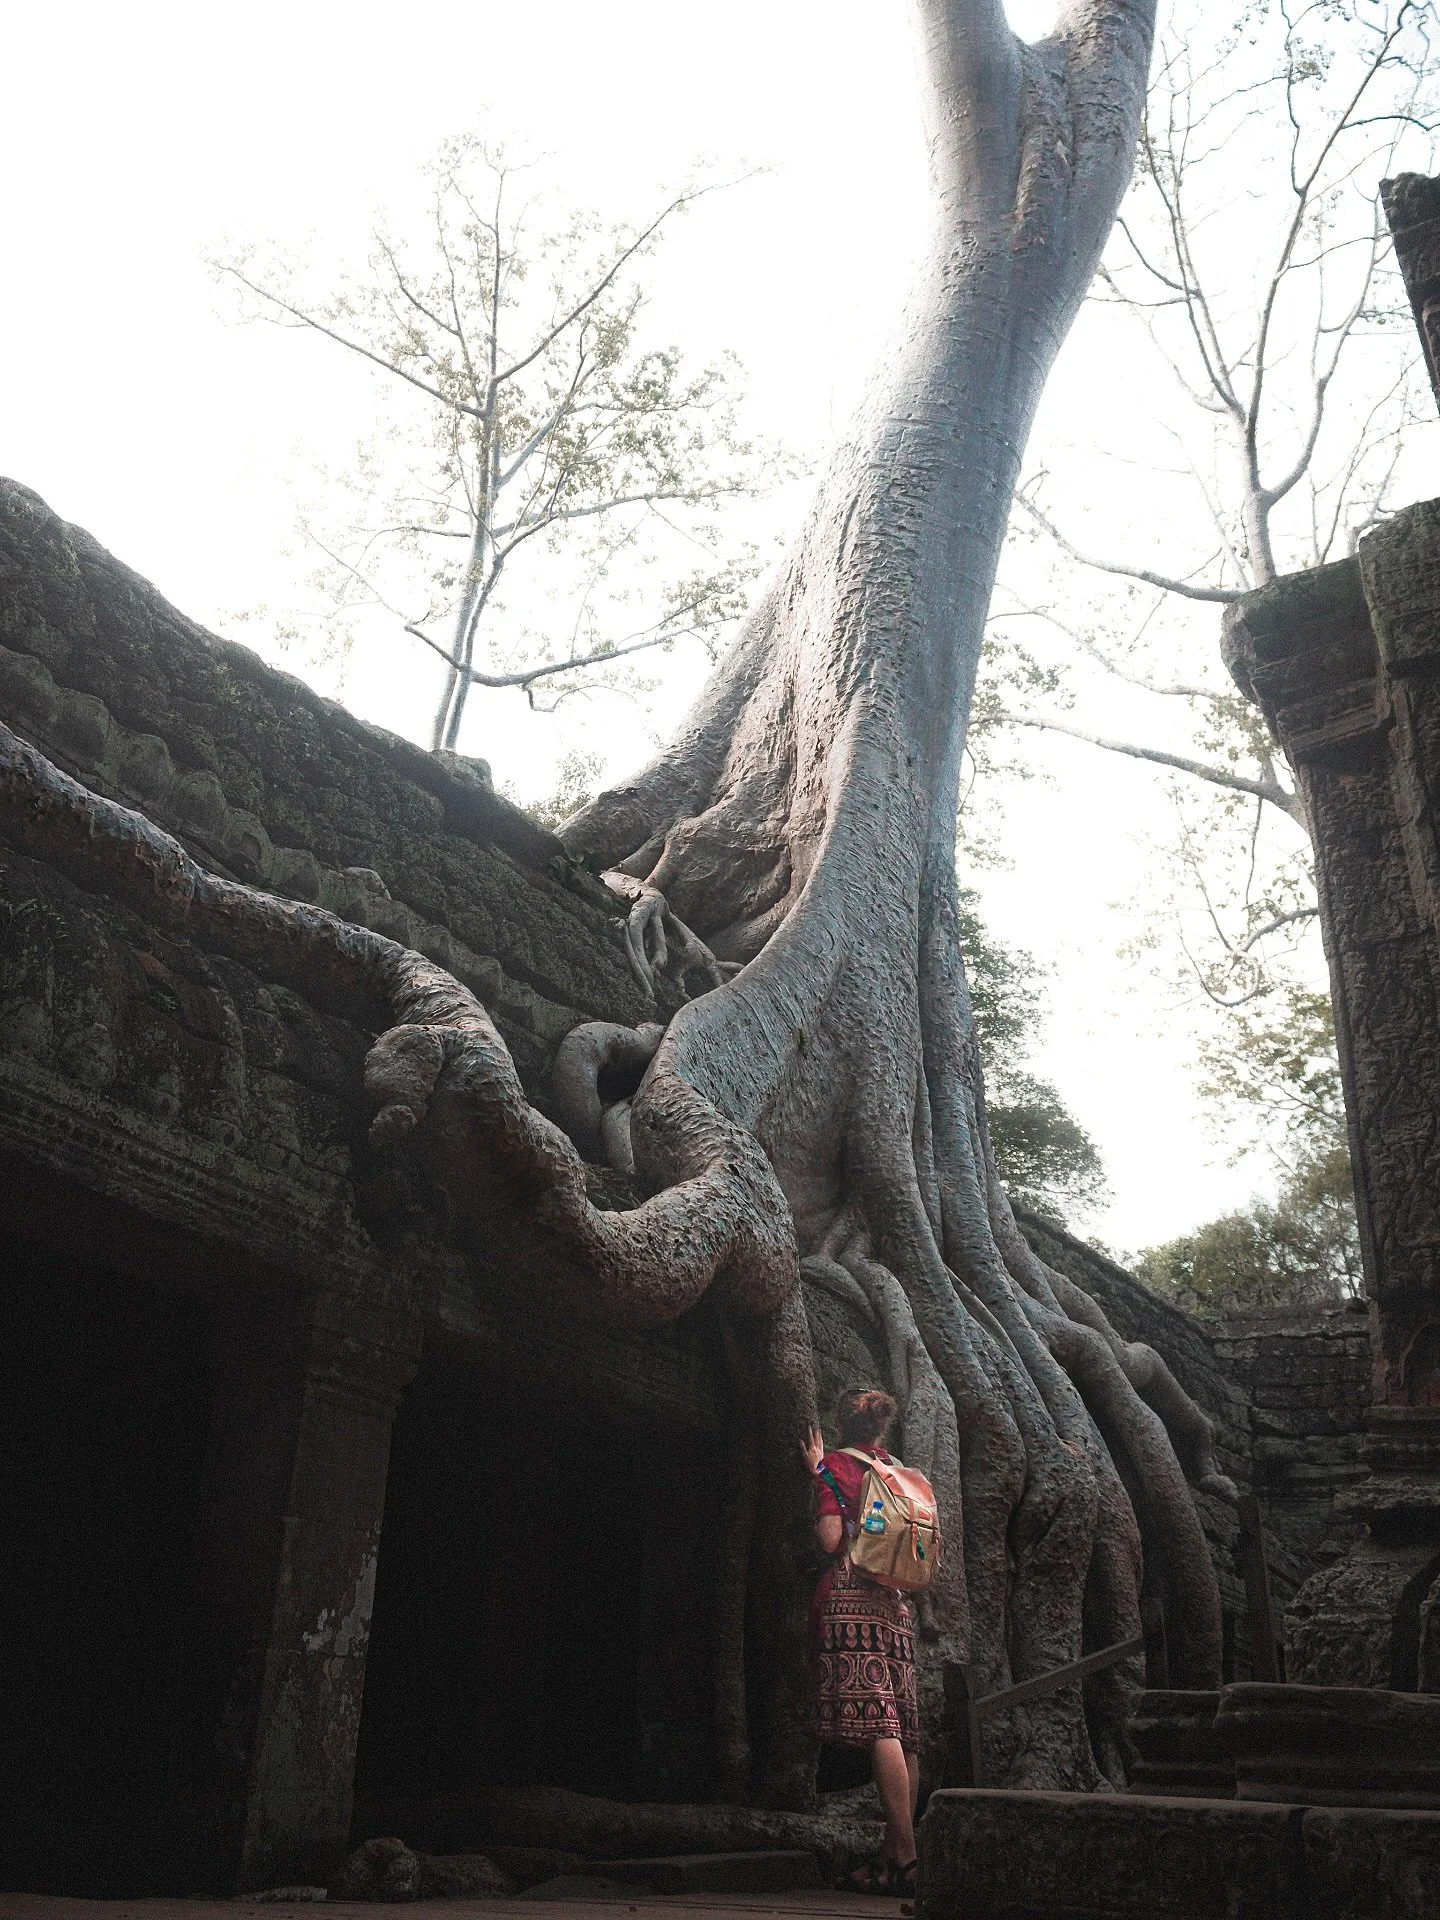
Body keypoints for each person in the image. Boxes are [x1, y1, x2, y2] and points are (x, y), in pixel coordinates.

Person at [804, 1388, 920, 1897]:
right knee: (904, 1727)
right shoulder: (896, 1468)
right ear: (880, 1428)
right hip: (895, 1600)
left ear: (842, 1424)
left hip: (853, 1598)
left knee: (880, 1725)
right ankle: (894, 1856)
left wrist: (819, 1475)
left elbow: (832, 1539)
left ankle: (908, 1857)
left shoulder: (836, 1465)